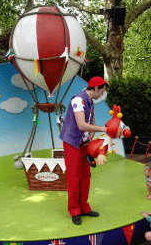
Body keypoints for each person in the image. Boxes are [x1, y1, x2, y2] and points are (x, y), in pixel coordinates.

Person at [59, 76, 119, 225]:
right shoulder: (78, 100)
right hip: (72, 142)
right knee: (74, 177)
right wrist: (105, 129)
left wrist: (90, 138)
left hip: (84, 143)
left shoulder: (90, 101)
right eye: (102, 91)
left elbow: (92, 123)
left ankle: (84, 207)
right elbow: (81, 125)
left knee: (86, 176)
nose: (102, 95)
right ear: (96, 88)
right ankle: (74, 210)